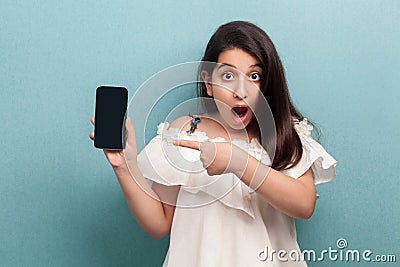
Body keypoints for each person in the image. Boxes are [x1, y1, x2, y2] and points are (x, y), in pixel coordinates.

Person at [90, 21, 337, 266]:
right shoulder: (185, 133)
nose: (240, 91)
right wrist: (125, 165)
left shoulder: (284, 132)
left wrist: (236, 161)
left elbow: (304, 205)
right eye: (228, 76)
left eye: (254, 76)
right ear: (208, 82)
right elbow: (159, 224)